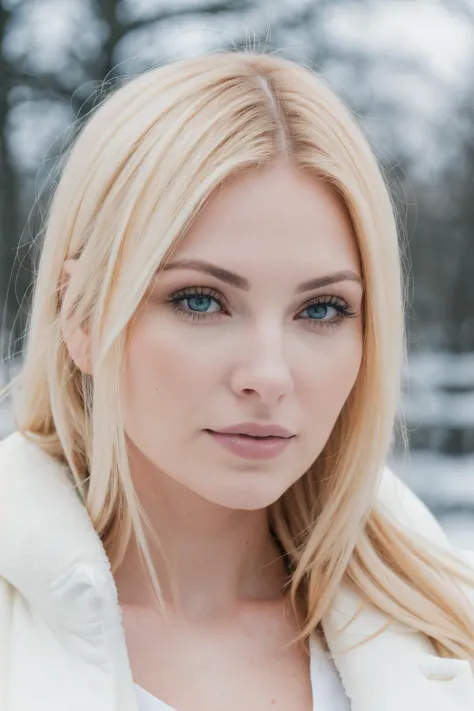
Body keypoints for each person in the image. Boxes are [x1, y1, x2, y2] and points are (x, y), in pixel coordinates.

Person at [0, 50, 473, 711]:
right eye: (200, 299)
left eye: (321, 309)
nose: (268, 376)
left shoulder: (450, 629)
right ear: (80, 314)